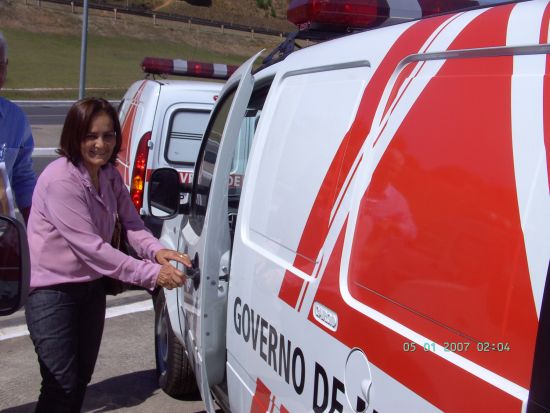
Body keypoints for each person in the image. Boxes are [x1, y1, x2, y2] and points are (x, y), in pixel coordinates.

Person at [25, 97, 190, 412]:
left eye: (108, 135)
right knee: (61, 384)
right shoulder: (61, 180)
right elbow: (93, 249)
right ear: (74, 136)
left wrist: (157, 251)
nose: (100, 144)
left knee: (80, 381)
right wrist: (152, 274)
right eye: (91, 136)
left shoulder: (109, 174)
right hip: (51, 291)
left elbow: (132, 225)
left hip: (90, 288)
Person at [0, 31, 36, 224]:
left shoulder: (16, 120)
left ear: (6, 67)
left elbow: (23, 179)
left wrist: (36, 228)